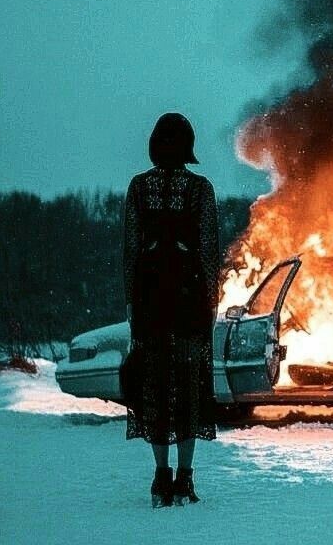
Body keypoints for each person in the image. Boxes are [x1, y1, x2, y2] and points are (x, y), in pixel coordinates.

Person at [123, 113, 219, 507]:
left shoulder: (139, 188)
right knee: (190, 387)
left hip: (150, 302)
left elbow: (130, 249)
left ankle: (160, 476)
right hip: (188, 300)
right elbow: (209, 250)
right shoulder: (199, 190)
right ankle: (185, 477)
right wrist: (211, 301)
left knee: (154, 387)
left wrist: (131, 300)